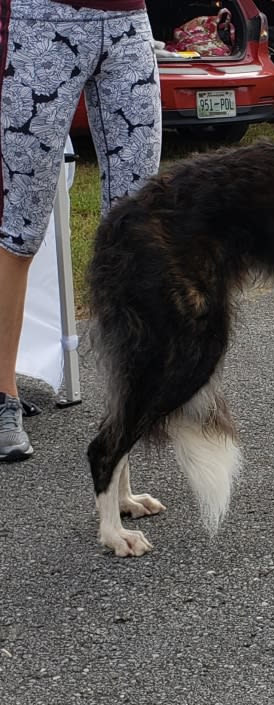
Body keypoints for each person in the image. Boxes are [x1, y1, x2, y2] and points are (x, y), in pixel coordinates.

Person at [0, 0, 162, 462]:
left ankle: (130, 401)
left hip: (128, 23)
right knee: (20, 227)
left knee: (136, 228)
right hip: (41, 21)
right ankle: (1, 396)